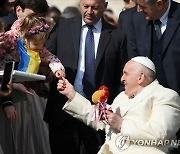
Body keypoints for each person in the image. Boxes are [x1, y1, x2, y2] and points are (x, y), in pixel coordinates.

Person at [43, 0, 127, 153]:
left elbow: (121, 77)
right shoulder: (63, 27)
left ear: (105, 6)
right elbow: (46, 56)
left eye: (94, 7)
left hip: (97, 114)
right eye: (85, 6)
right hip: (64, 109)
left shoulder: (117, 35)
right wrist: (54, 71)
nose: (89, 11)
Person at [57, 56, 180, 154]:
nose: (122, 79)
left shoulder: (166, 95)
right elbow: (100, 120)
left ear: (140, 77)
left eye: (125, 74)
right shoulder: (122, 96)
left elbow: (160, 133)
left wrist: (121, 124)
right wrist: (72, 94)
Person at [0, 0, 53, 153]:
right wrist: (6, 101)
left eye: (40, 17)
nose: (36, 22)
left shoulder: (36, 38)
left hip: (32, 96)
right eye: (33, 15)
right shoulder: (8, 38)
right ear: (18, 11)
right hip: (10, 97)